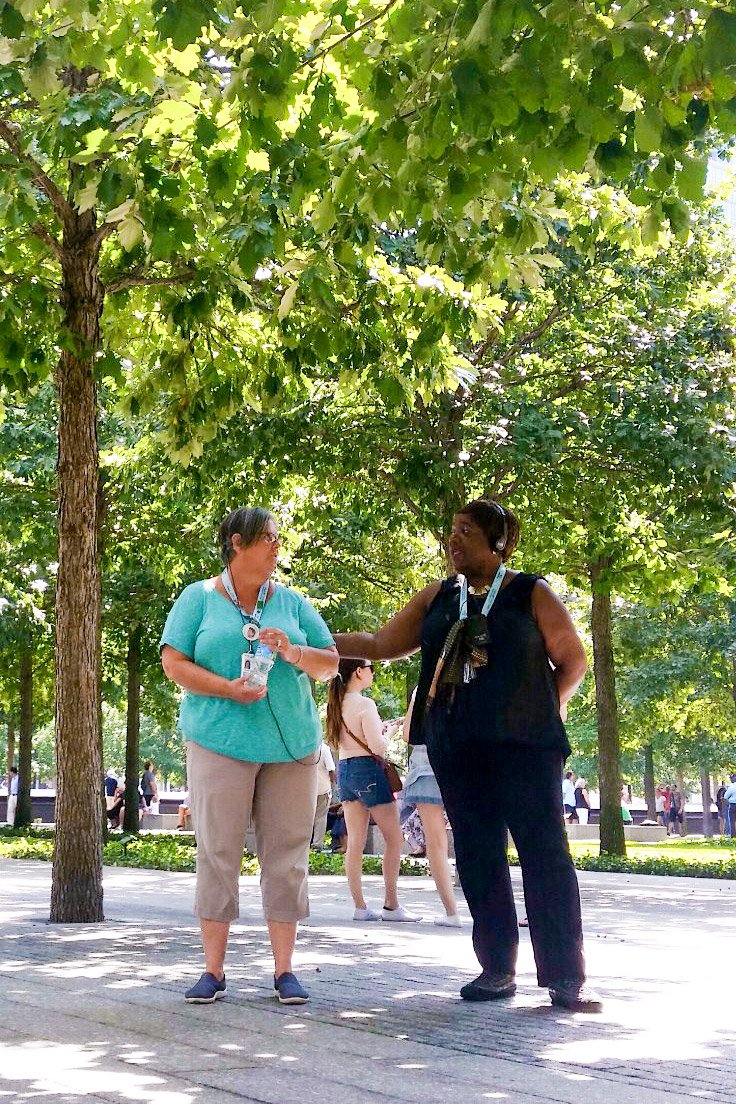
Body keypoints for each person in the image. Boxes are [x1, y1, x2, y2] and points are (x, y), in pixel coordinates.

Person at [334, 498, 601, 1011]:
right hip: (458, 750)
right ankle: (496, 968)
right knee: (478, 855)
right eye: (451, 530)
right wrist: (310, 639)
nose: (453, 540)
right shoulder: (438, 597)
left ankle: (566, 977)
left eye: (466, 532)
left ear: (497, 543)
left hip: (526, 751)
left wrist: (541, 711)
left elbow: (573, 661)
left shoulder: (530, 593)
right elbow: (380, 643)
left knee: (545, 855)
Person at [161, 505, 339, 1005]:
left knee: (287, 856)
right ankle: (212, 971)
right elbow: (173, 662)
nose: (277, 547)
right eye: (267, 538)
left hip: (291, 748)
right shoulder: (198, 597)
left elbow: (330, 664)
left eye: (278, 538)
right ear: (236, 543)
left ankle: (285, 971)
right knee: (218, 851)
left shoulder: (293, 603)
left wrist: (293, 651)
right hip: (219, 742)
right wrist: (227, 688)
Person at [325, 658, 420, 923]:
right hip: (367, 770)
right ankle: (391, 905)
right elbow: (377, 746)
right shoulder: (365, 703)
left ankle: (360, 906)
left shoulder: (337, 703)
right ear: (358, 671)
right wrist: (389, 732)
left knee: (355, 841)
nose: (373, 673)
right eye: (371, 668)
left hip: (346, 770)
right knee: (394, 838)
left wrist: (380, 730)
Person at [400, 688, 461, 926]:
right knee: (473, 840)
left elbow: (407, 734)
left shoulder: (422, 689)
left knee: (436, 845)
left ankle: (452, 912)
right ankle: (486, 911)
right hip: (463, 766)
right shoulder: (470, 679)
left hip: (426, 768)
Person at [311, 741, 336, 849]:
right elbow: (331, 770)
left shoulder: (305, 747)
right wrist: (334, 786)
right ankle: (317, 844)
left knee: (306, 817)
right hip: (322, 789)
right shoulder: (324, 749)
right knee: (320, 817)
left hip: (307, 789)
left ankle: (303, 844)